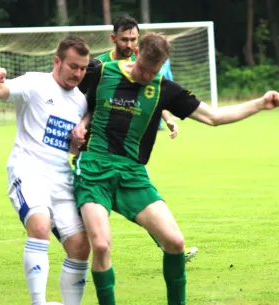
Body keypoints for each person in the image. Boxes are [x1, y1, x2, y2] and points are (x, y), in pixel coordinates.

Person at [72, 32, 279, 305]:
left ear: (163, 66)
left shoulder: (164, 89)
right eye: (144, 68)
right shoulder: (101, 71)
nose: (146, 76)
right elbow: (66, 93)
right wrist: (79, 124)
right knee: (101, 245)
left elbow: (214, 117)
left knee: (175, 241)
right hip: (93, 169)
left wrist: (260, 103)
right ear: (137, 53)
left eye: (154, 72)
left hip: (132, 174)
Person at [0, 35, 98, 305]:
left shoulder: (79, 101)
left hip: (61, 179)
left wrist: (77, 143)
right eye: (73, 66)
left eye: (83, 69)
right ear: (57, 61)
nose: (77, 74)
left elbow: (71, 148)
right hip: (28, 170)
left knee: (81, 246)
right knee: (40, 224)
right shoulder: (34, 83)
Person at [78, 15, 198, 262]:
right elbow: (83, 103)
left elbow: (154, 97)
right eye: (125, 39)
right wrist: (80, 127)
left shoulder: (141, 65)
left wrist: (167, 118)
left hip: (127, 152)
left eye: (134, 39)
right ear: (114, 38)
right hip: (94, 147)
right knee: (91, 209)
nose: (130, 44)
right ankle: (80, 251)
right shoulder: (99, 67)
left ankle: (169, 247)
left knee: (144, 198)